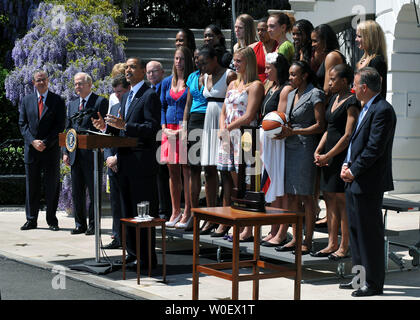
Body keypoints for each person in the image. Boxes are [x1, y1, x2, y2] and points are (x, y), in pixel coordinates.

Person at [93, 57, 161, 268]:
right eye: (127, 67)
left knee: (142, 214)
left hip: (141, 164)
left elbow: (151, 128)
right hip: (124, 163)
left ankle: (147, 259)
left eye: (132, 67)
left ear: (142, 71)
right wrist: (105, 128)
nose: (128, 70)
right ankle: (132, 253)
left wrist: (126, 125)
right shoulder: (125, 96)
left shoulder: (149, 95)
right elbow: (120, 129)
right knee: (127, 211)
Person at [339, 67, 396, 297]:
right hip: (354, 179)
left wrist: (354, 170)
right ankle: (359, 279)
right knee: (355, 233)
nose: (353, 89)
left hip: (368, 181)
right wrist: (346, 164)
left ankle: (372, 283)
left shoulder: (383, 110)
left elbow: (375, 148)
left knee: (369, 235)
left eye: (355, 85)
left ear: (364, 87)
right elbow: (355, 143)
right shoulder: (365, 108)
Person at [275, 60, 325, 255]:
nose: (290, 78)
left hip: (306, 146)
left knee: (306, 195)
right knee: (292, 194)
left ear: (304, 75)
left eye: (294, 74)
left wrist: (295, 133)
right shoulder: (291, 93)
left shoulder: (315, 94)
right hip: (290, 145)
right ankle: (295, 238)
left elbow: (320, 125)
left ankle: (308, 240)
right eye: (289, 74)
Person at [213, 47, 264, 239]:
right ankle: (239, 223)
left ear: (248, 62)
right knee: (236, 182)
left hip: (246, 135)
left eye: (239, 61)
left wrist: (230, 127)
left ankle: (249, 228)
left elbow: (250, 115)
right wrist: (222, 129)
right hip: (229, 135)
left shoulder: (256, 85)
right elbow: (224, 110)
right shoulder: (233, 83)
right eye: (234, 60)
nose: (235, 64)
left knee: (249, 181)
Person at [311, 64, 360, 259]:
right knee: (329, 199)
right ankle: (331, 243)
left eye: (333, 79)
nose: (329, 82)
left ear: (345, 81)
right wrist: (318, 150)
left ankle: (344, 245)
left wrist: (329, 155)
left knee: (342, 202)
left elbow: (347, 135)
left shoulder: (352, 102)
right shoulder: (332, 99)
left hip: (340, 156)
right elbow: (329, 129)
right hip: (328, 156)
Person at [18, 70, 66, 231]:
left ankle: (52, 220)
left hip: (50, 150)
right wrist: (32, 141)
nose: (41, 82)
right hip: (31, 151)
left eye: (44, 80)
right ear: (33, 82)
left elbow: (60, 126)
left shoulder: (57, 100)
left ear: (48, 81)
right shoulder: (26, 100)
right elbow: (22, 124)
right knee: (32, 186)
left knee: (51, 186)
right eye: (38, 80)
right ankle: (31, 220)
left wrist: (45, 142)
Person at [63, 72, 108, 235]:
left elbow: (103, 129)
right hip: (75, 153)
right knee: (77, 191)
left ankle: (93, 225)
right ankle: (79, 224)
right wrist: (66, 151)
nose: (77, 87)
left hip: (92, 154)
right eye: (75, 84)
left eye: (80, 83)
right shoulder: (72, 104)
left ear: (89, 85)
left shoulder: (100, 101)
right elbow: (68, 129)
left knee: (94, 190)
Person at [199, 45, 237, 234]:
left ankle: (225, 216)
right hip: (208, 122)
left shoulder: (229, 75)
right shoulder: (203, 77)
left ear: (215, 59)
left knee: (225, 171)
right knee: (208, 170)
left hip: (224, 123)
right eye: (200, 63)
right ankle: (210, 215)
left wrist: (225, 128)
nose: (202, 66)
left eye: (205, 62)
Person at [258, 52, 294, 246]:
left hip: (278, 142)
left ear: (278, 68)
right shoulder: (271, 87)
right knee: (270, 184)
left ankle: (281, 230)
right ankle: (273, 227)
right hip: (268, 141)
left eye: (269, 68)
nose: (266, 71)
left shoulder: (286, 89)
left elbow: (279, 116)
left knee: (279, 184)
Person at [160, 46, 194, 227]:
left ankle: (188, 211)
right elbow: (163, 106)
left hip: (184, 129)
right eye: (176, 59)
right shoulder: (167, 82)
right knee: (172, 172)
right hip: (168, 130)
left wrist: (184, 129)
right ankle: (175, 210)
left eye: (181, 59)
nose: (178, 62)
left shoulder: (192, 80)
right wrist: (164, 127)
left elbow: (192, 104)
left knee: (186, 170)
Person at [101, 75, 130, 250]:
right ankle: (117, 236)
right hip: (113, 163)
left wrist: (117, 158)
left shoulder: (130, 108)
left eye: (120, 92)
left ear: (127, 90)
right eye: (115, 92)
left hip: (126, 162)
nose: (117, 95)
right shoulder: (115, 107)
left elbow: (130, 138)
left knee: (126, 203)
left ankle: (128, 239)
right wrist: (108, 158)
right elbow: (108, 137)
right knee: (115, 204)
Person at [180, 48, 207, 230]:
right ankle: (193, 212)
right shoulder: (192, 76)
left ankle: (210, 214)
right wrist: (184, 125)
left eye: (200, 58)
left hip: (210, 118)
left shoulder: (214, 75)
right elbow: (188, 103)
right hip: (194, 120)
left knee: (210, 168)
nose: (197, 61)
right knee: (193, 167)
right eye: (195, 58)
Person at [146, 60, 171, 219]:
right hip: (150, 138)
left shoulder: (166, 86)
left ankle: (165, 211)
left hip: (165, 135)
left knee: (163, 176)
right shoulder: (147, 90)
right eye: (148, 72)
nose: (151, 74)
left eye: (154, 71)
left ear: (162, 72)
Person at [355, 20, 388, 99]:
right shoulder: (364, 60)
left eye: (359, 36)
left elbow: (375, 91)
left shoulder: (377, 61)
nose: (356, 39)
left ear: (369, 38)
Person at [311, 24, 346, 96]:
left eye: (315, 41)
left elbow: (327, 90)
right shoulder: (329, 56)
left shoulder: (332, 56)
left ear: (325, 40)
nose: (312, 44)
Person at [250, 17, 278, 83]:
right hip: (257, 86)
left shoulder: (279, 47)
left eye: (263, 30)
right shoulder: (252, 48)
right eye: (258, 30)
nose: (259, 33)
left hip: (274, 86)